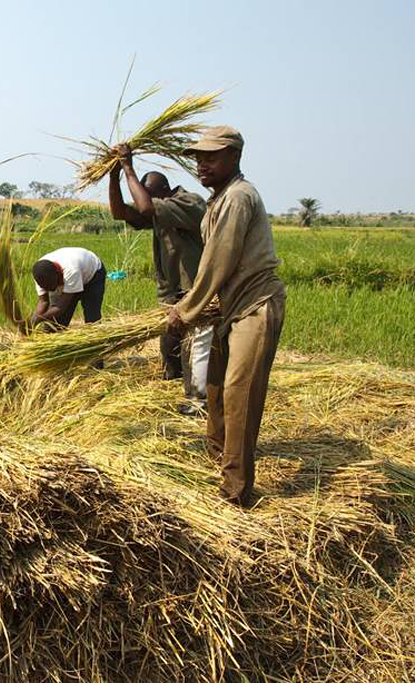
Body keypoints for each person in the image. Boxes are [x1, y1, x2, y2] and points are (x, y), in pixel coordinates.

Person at [167, 126, 286, 507]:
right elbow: (212, 263)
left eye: (211, 157)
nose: (201, 164)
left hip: (255, 306)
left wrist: (186, 310)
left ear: (234, 157)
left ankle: (235, 493)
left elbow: (219, 261)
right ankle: (217, 462)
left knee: (239, 395)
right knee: (215, 390)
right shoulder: (217, 200)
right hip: (229, 308)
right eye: (198, 158)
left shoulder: (238, 197)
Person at [108, 142, 211, 414]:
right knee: (170, 344)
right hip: (172, 292)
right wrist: (113, 175)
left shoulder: (189, 203)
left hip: (195, 289)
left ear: (163, 192)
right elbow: (121, 212)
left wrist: (128, 167)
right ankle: (174, 386)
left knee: (196, 345)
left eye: (149, 196)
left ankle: (198, 401)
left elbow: (144, 208)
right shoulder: (160, 207)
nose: (146, 201)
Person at [29, 247, 106, 330]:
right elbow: (43, 302)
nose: (49, 290)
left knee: (92, 319)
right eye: (45, 287)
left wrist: (39, 319)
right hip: (71, 274)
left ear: (58, 274)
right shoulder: (40, 274)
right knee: (54, 325)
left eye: (50, 286)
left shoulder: (71, 270)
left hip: (93, 276)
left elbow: (60, 307)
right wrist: (31, 323)